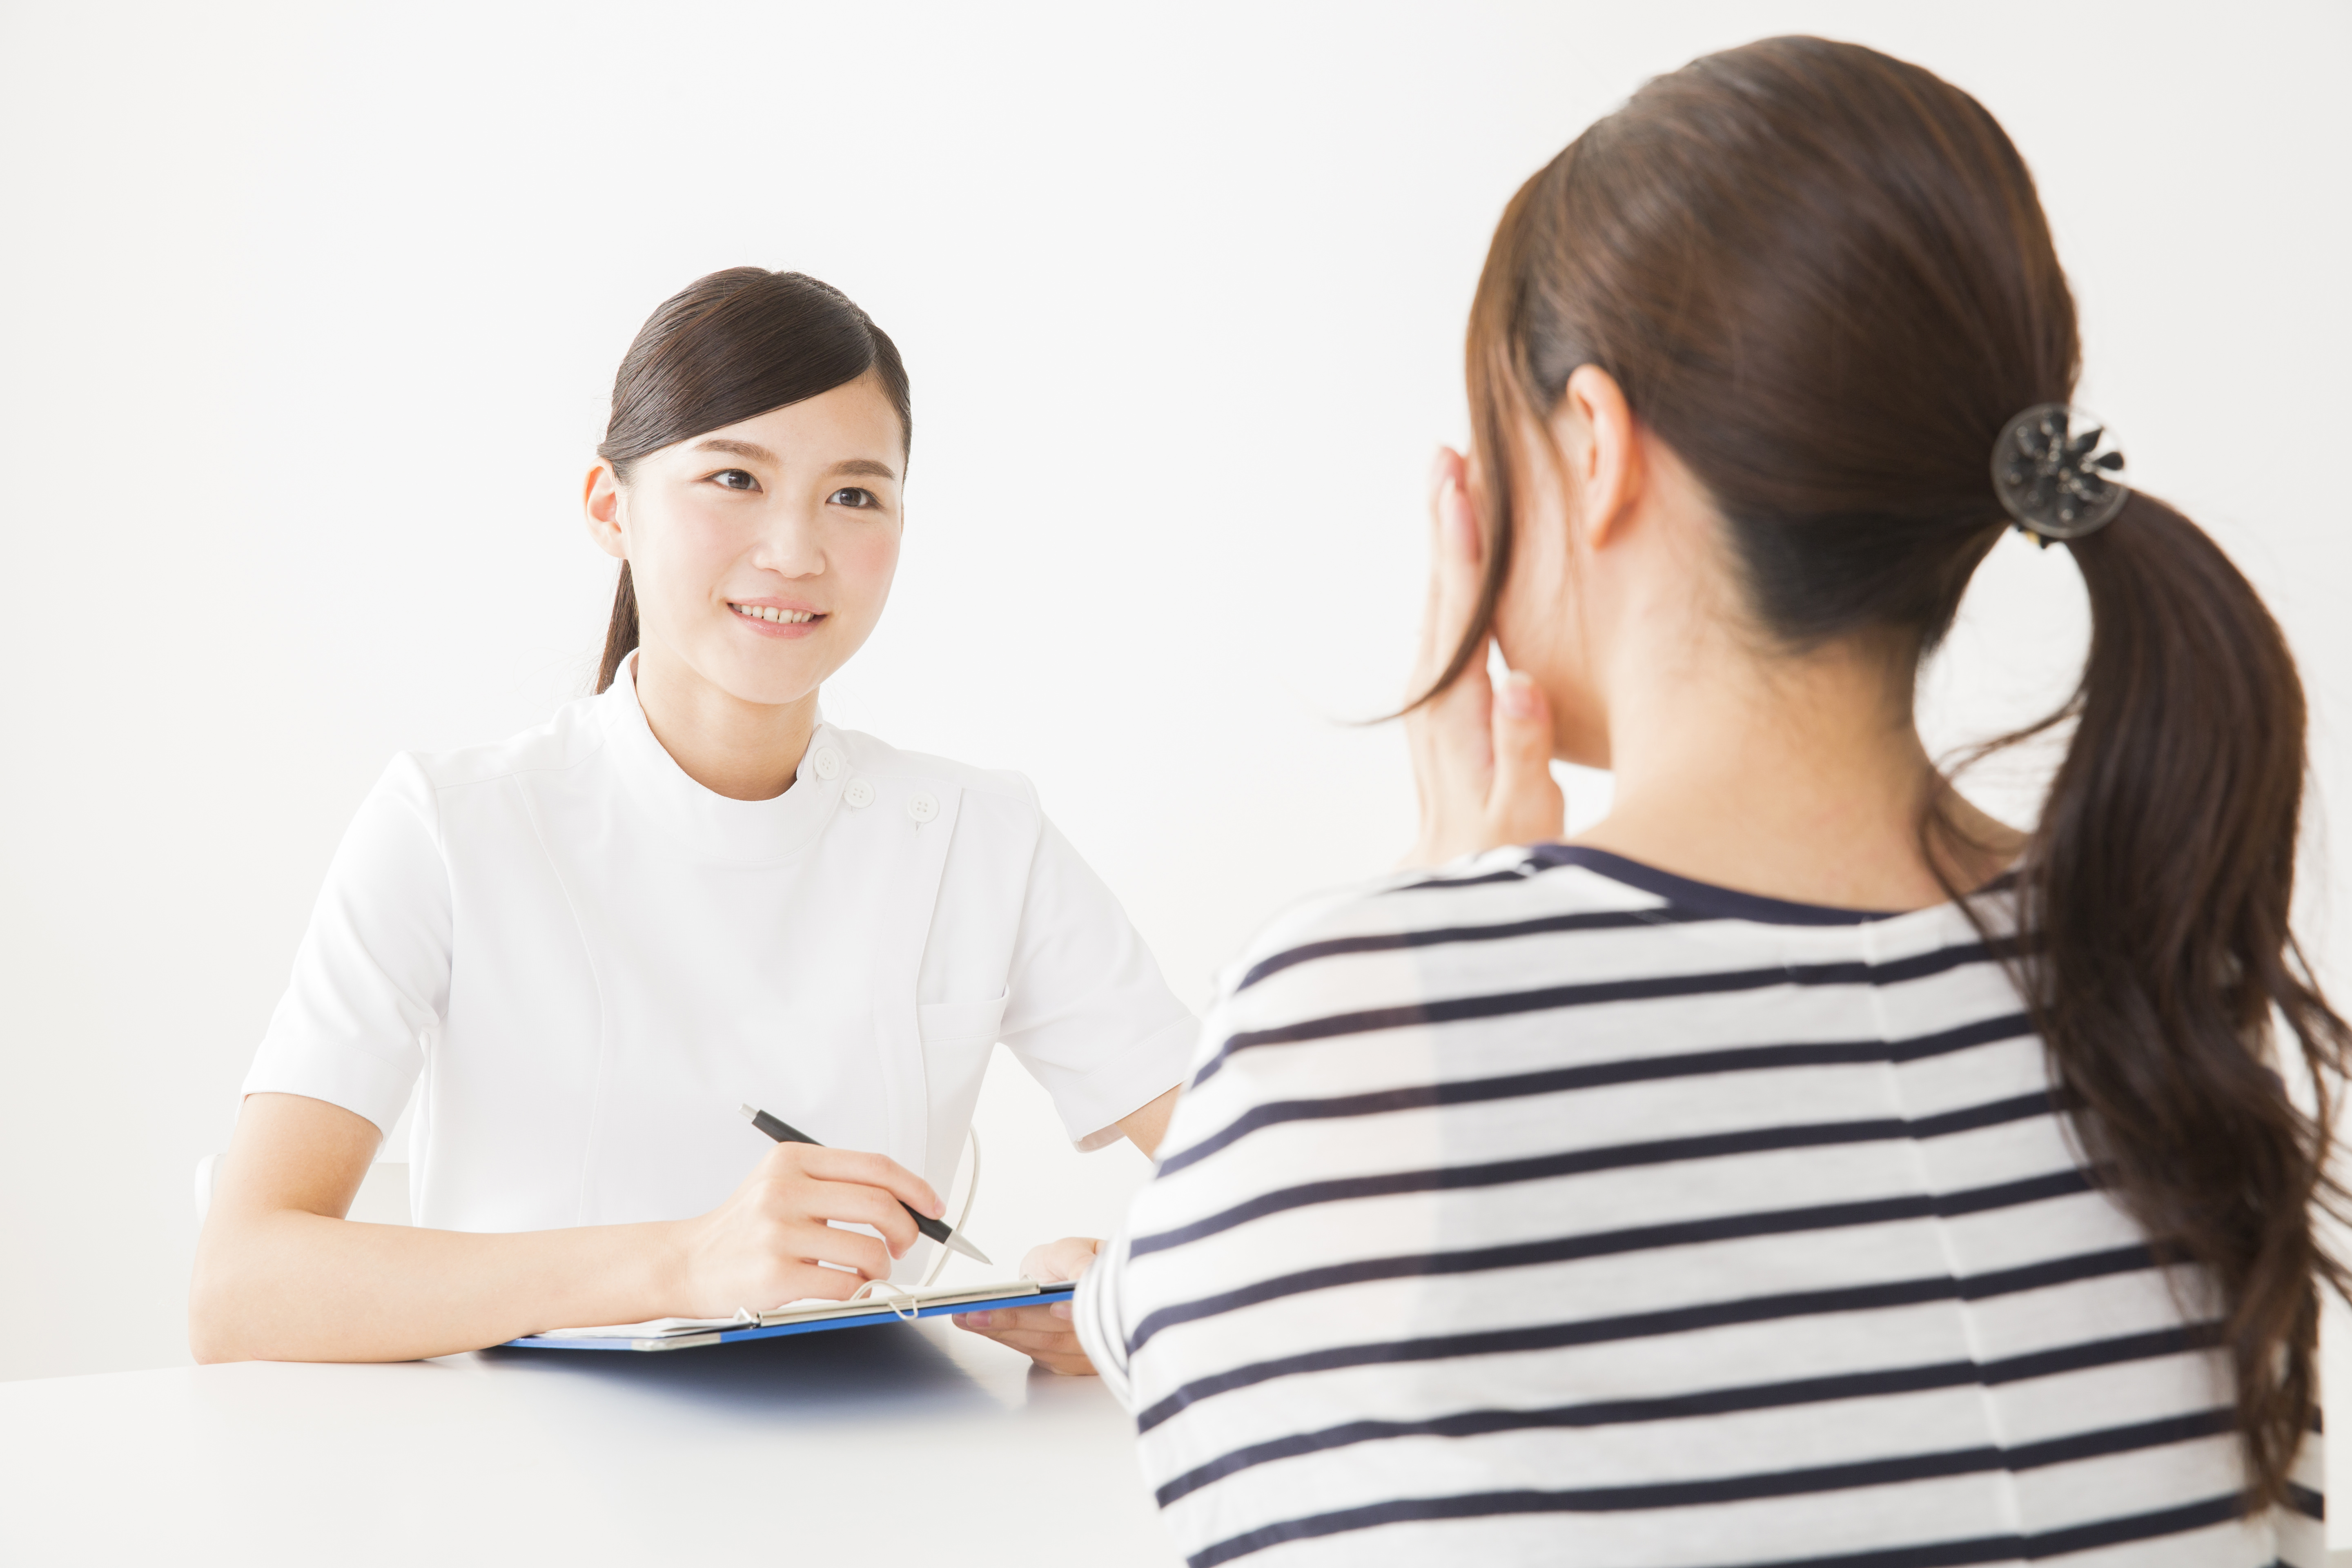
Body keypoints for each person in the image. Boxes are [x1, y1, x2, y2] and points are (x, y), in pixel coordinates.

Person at [1064, 36, 2344, 1567]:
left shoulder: (1356, 1028)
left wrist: (1426, 913)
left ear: (1596, 451)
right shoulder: (2162, 991)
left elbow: (1158, 1330)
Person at [190, 268, 1194, 1368]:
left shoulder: (978, 836)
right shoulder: (454, 823)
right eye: (733, 478)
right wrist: (686, 1263)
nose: (796, 551)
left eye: (855, 495)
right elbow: (243, 1287)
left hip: (882, 1474)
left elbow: (1286, 1178)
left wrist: (1134, 1300)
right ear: (611, 511)